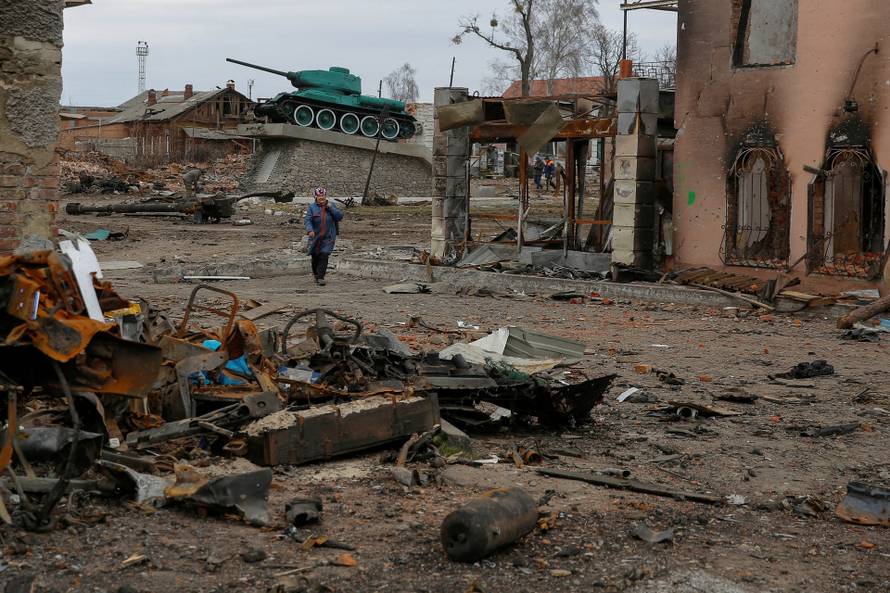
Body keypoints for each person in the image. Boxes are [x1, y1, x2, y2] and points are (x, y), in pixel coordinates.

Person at [304, 187, 343, 286]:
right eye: (319, 196)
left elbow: (339, 217)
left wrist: (330, 208)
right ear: (315, 197)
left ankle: (321, 277)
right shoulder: (312, 208)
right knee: (315, 256)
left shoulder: (332, 205)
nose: (321, 197)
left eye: (323, 195)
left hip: (328, 236)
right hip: (316, 237)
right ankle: (316, 274)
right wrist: (310, 230)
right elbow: (308, 220)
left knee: (324, 254)